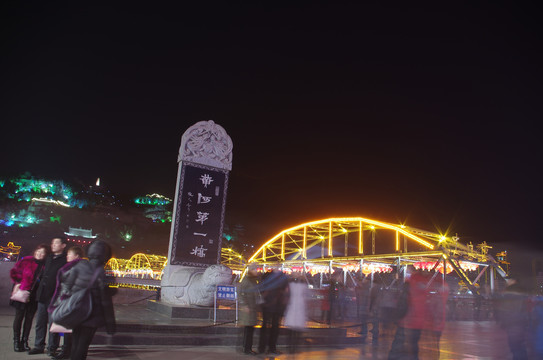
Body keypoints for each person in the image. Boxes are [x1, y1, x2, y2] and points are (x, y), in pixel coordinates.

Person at [63, 240, 116, 360]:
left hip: (76, 311)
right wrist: (110, 322)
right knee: (83, 344)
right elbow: (106, 298)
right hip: (93, 313)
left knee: (76, 341)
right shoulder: (104, 271)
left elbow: (67, 287)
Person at [29, 236, 67, 356]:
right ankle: (39, 345)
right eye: (52, 243)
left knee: (53, 324)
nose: (53, 245)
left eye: (56, 243)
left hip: (55, 297)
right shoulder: (49, 257)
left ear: (63, 245)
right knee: (40, 322)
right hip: (42, 294)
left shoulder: (65, 260)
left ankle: (52, 347)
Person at [9, 244, 49, 352]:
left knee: (29, 318)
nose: (39, 254)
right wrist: (17, 283)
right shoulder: (26, 260)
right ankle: (16, 342)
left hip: (35, 295)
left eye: (42, 252)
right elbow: (15, 272)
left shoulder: (46, 265)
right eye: (38, 251)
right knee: (19, 317)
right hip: (23, 291)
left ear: (45, 254)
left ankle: (25, 341)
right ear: (35, 251)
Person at [47, 246, 84, 359]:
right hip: (66, 301)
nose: (67, 256)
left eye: (69, 254)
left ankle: (66, 351)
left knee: (69, 328)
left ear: (76, 256)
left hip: (71, 302)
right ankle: (65, 349)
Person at [494, 273, 529, 360]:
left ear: (514, 280)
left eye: (509, 279)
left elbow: (506, 307)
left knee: (515, 346)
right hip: (521, 321)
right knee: (520, 345)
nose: (507, 281)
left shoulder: (510, 291)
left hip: (513, 322)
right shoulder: (522, 291)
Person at [258, 269, 289, 355]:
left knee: (273, 328)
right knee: (268, 327)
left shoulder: (282, 278)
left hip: (274, 306)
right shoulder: (269, 277)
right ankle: (265, 348)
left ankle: (267, 348)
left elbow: (286, 292)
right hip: (269, 306)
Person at [284, 272, 308, 354]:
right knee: (292, 329)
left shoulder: (301, 282)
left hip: (298, 306)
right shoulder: (290, 283)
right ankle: (291, 346)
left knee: (296, 329)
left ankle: (294, 346)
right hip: (293, 306)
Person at [238, 264, 260, 355]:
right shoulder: (246, 280)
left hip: (253, 309)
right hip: (248, 309)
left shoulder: (254, 281)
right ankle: (247, 349)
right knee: (248, 330)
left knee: (250, 329)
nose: (256, 271)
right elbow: (240, 293)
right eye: (255, 269)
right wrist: (244, 305)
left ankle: (248, 348)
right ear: (250, 270)